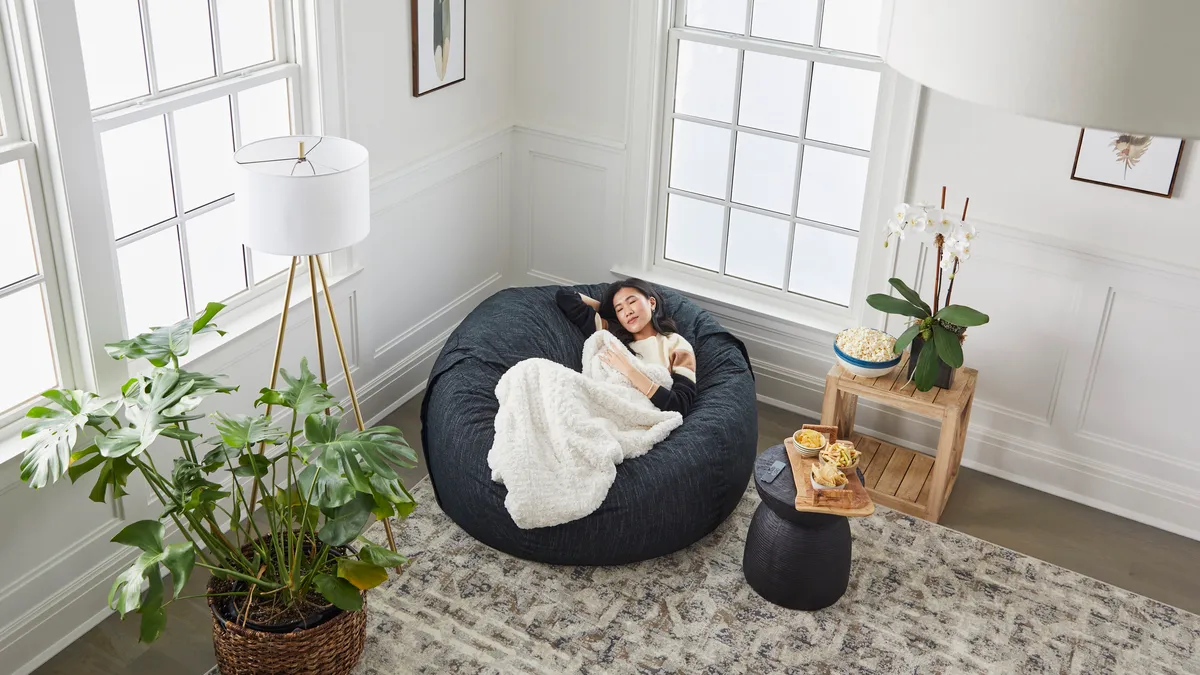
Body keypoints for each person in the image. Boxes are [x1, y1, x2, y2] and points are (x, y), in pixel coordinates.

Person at [555, 279, 698, 416]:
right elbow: (565, 296)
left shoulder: (675, 343)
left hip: (642, 413)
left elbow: (680, 404)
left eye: (632, 302)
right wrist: (608, 311)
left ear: (652, 303)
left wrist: (629, 370)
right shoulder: (611, 334)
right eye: (619, 309)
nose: (627, 311)